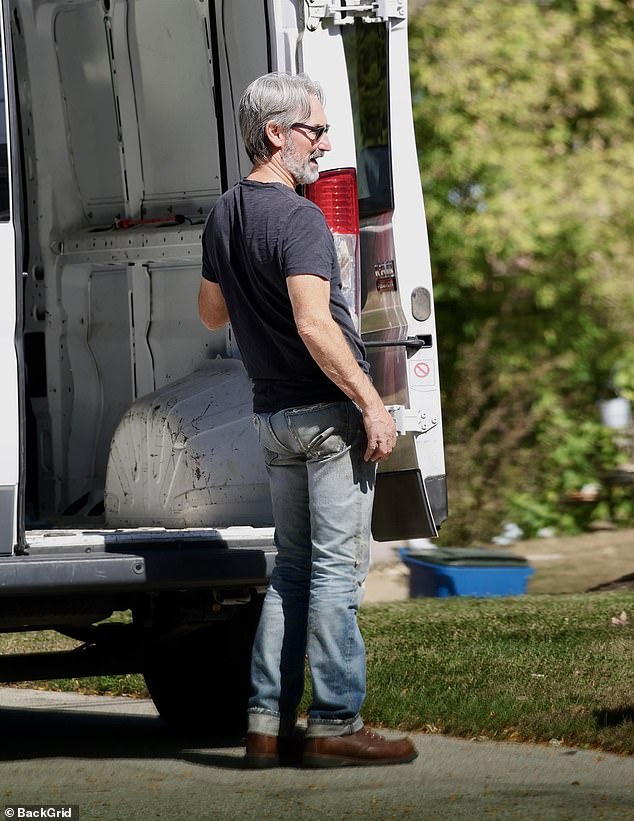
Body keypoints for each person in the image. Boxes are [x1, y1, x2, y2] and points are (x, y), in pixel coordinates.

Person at [198, 71, 417, 768]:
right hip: (325, 416)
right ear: (277, 133)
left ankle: (265, 723)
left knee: (291, 570)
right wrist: (370, 401)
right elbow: (316, 326)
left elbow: (209, 313)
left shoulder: (224, 214)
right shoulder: (298, 218)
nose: (324, 145)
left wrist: (248, 285)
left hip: (273, 416)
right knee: (334, 573)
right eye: (316, 131)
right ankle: (333, 721)